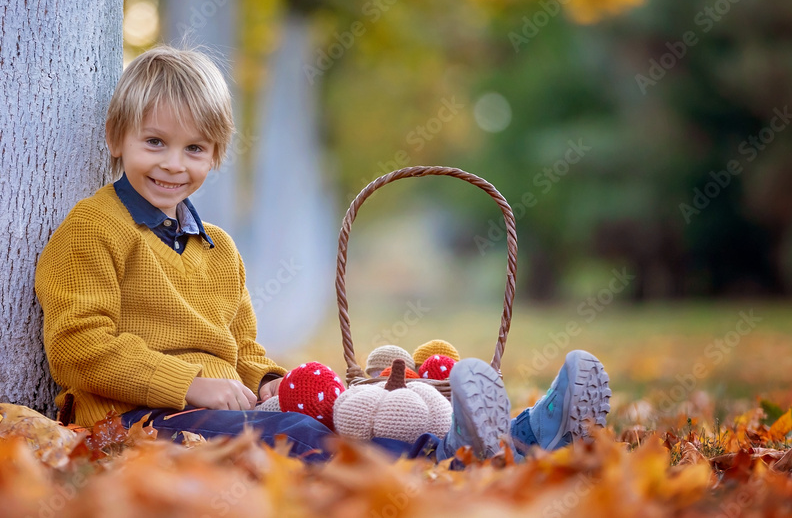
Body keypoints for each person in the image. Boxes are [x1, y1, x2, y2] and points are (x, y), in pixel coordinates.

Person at [34, 44, 611, 465]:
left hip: (222, 410)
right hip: (139, 422)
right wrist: (189, 383)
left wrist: (266, 382)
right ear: (116, 137)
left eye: (194, 149)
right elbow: (78, 349)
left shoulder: (218, 248)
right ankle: (449, 457)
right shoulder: (94, 229)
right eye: (154, 142)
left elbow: (244, 347)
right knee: (292, 434)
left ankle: (525, 432)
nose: (172, 164)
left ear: (216, 155)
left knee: (332, 410)